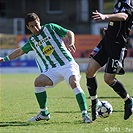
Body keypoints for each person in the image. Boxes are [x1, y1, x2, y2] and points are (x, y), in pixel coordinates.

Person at [0, 12, 91, 123]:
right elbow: (19, 51)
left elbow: (69, 33)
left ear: (39, 21)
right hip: (53, 69)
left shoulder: (50, 27)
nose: (36, 28)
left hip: (67, 64)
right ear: (28, 27)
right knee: (38, 82)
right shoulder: (32, 41)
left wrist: (71, 43)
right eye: (32, 26)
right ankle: (44, 113)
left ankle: (85, 115)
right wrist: (4, 59)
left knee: (74, 83)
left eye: (36, 24)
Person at [86, 0, 133, 121]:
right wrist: (110, 28)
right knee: (89, 71)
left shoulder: (128, 2)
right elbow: (118, 22)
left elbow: (124, 16)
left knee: (108, 79)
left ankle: (128, 101)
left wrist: (105, 16)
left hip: (117, 46)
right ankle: (94, 102)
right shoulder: (119, 3)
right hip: (106, 42)